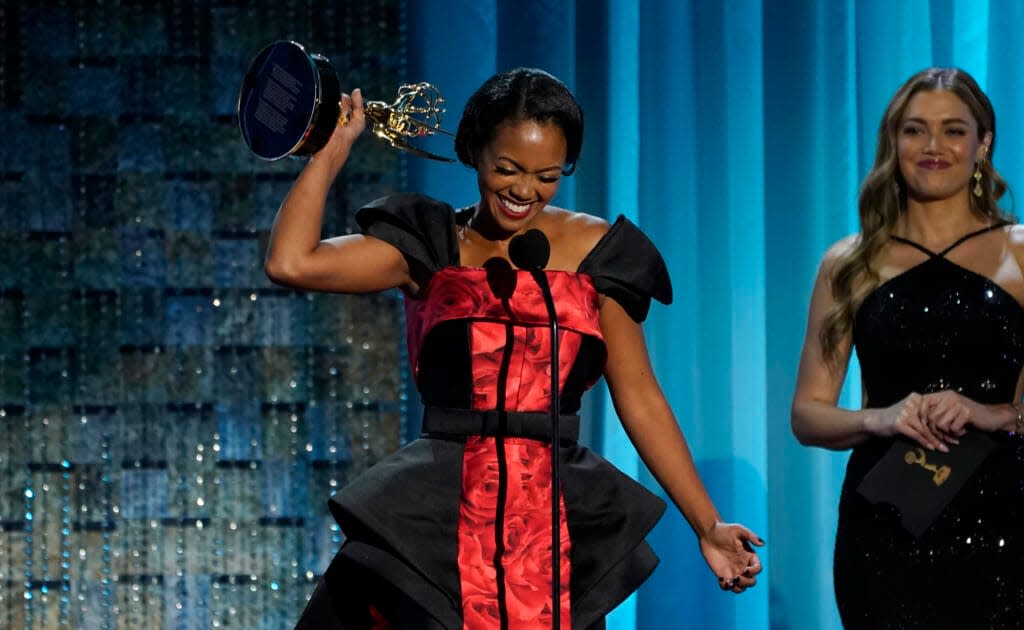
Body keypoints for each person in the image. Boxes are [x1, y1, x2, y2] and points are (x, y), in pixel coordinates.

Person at [267, 67, 763, 629]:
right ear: (474, 151)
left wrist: (707, 524)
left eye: (547, 175)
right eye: (507, 169)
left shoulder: (600, 253)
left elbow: (640, 396)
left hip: (551, 531)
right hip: (439, 520)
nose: (524, 190)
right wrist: (331, 151)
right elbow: (291, 262)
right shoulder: (429, 245)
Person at [791, 67, 1024, 629]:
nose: (933, 147)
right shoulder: (849, 263)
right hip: (887, 523)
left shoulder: (1021, 255)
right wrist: (882, 419)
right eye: (915, 130)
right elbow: (807, 414)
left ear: (983, 142)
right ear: (893, 142)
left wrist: (992, 412)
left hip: (1006, 519)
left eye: (953, 130)